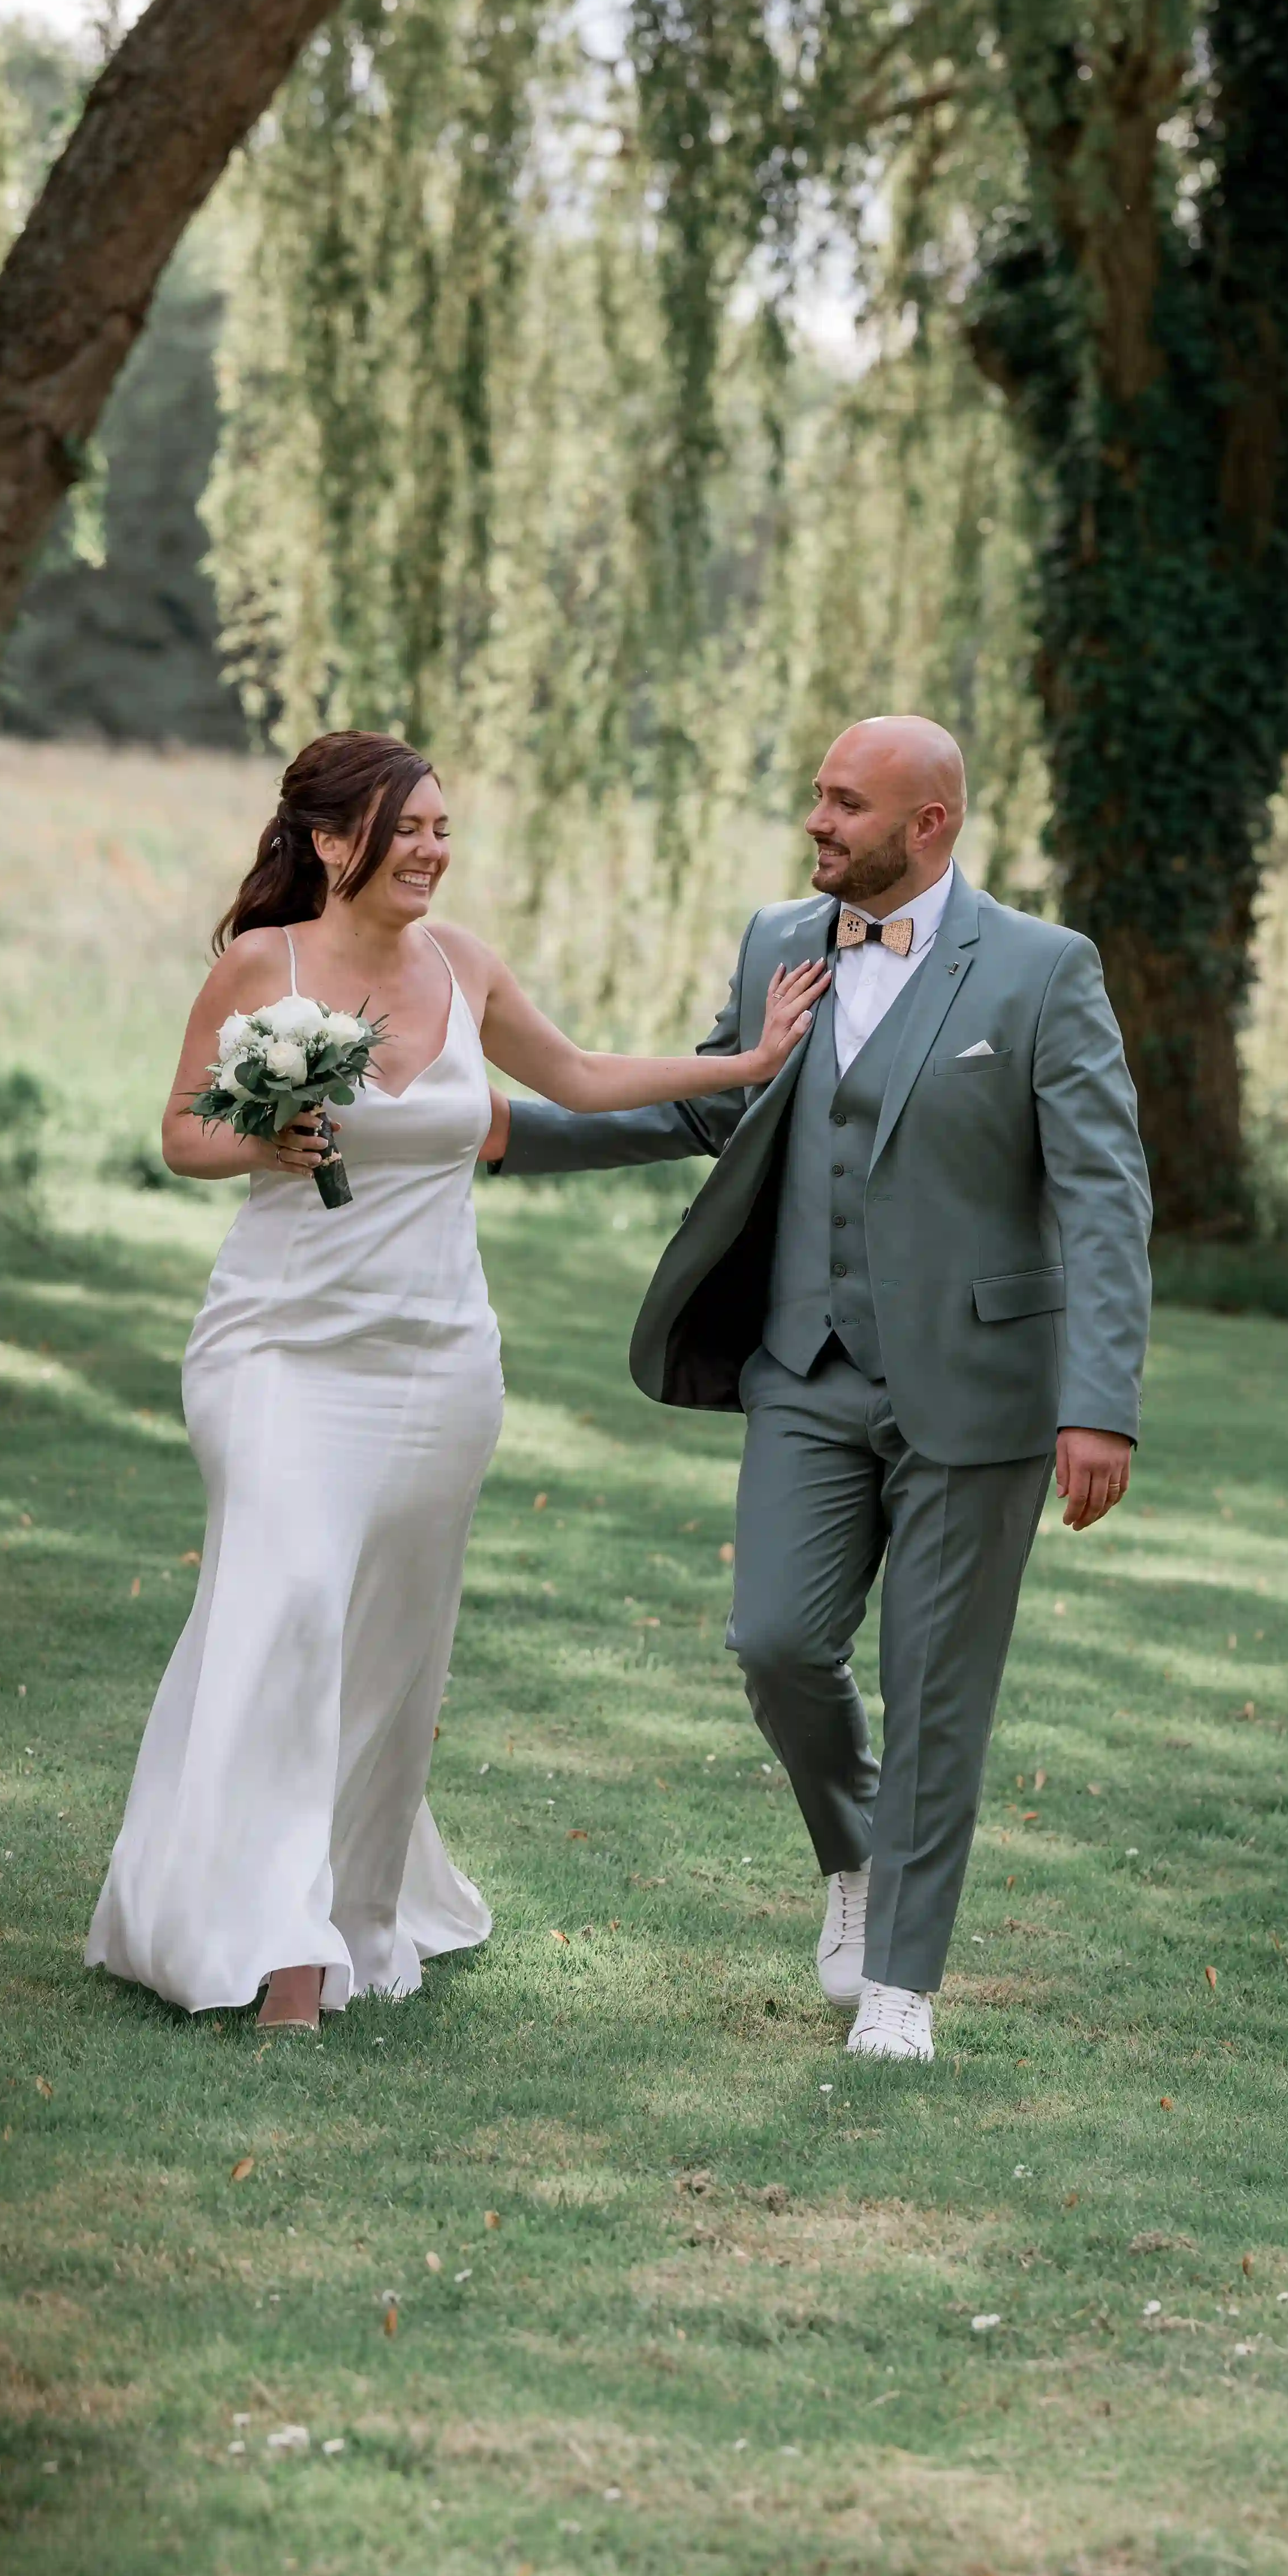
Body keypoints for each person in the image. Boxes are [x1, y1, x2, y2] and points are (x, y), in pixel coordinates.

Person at [85, 730, 824, 2030]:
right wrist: (263, 1135)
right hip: (279, 1347)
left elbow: (582, 1079)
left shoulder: (463, 963)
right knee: (292, 1603)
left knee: (389, 1647)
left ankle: (353, 1907)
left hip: (437, 1359)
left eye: (440, 826)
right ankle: (281, 1954)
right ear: (329, 841)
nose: (431, 847)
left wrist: (746, 1066)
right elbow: (183, 1131)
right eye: (405, 826)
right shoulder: (268, 964)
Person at [488, 716, 1152, 2062]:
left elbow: (1103, 1193)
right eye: (816, 797)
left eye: (847, 803)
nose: (817, 822)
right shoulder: (779, 941)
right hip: (805, 1366)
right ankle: (852, 1850)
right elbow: (707, 1102)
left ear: (930, 824)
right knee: (776, 1641)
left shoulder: (1042, 973)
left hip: (980, 1387)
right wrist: (508, 1132)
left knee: (935, 1683)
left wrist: (1102, 1399)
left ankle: (901, 1982)